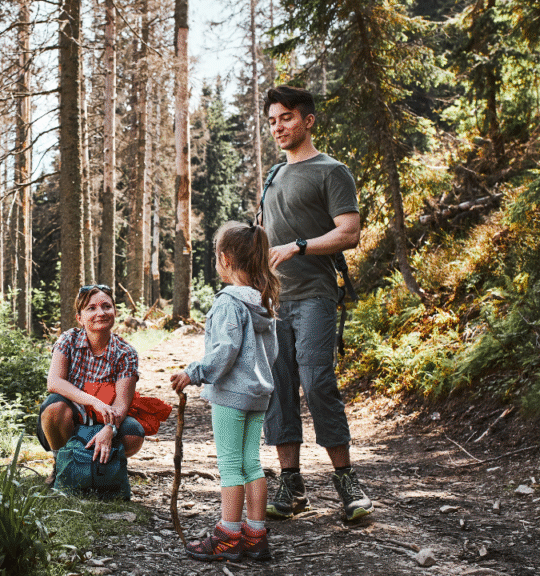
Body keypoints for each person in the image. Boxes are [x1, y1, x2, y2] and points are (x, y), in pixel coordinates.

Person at [259, 85, 372, 522]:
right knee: (279, 389)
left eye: (286, 117)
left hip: (316, 297)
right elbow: (264, 239)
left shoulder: (332, 171)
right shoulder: (272, 176)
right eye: (272, 120)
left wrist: (298, 246)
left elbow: (349, 232)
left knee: (318, 380)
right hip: (274, 304)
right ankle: (292, 484)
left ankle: (346, 482)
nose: (278, 127)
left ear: (307, 120)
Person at [171, 221, 279, 562]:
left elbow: (224, 351)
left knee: (231, 466)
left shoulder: (229, 302)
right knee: (252, 464)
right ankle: (256, 534)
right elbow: (270, 353)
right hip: (259, 394)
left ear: (224, 258)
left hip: (232, 396)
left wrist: (194, 372)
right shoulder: (264, 302)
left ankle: (228, 536)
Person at [37, 285, 145, 483]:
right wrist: (94, 401)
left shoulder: (126, 353)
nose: (100, 313)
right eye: (91, 308)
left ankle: (100, 465)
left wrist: (109, 429)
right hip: (67, 419)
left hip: (105, 419)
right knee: (54, 407)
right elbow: (54, 382)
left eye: (106, 306)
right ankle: (60, 465)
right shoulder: (68, 340)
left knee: (133, 435)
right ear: (80, 317)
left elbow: (121, 404)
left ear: (115, 311)